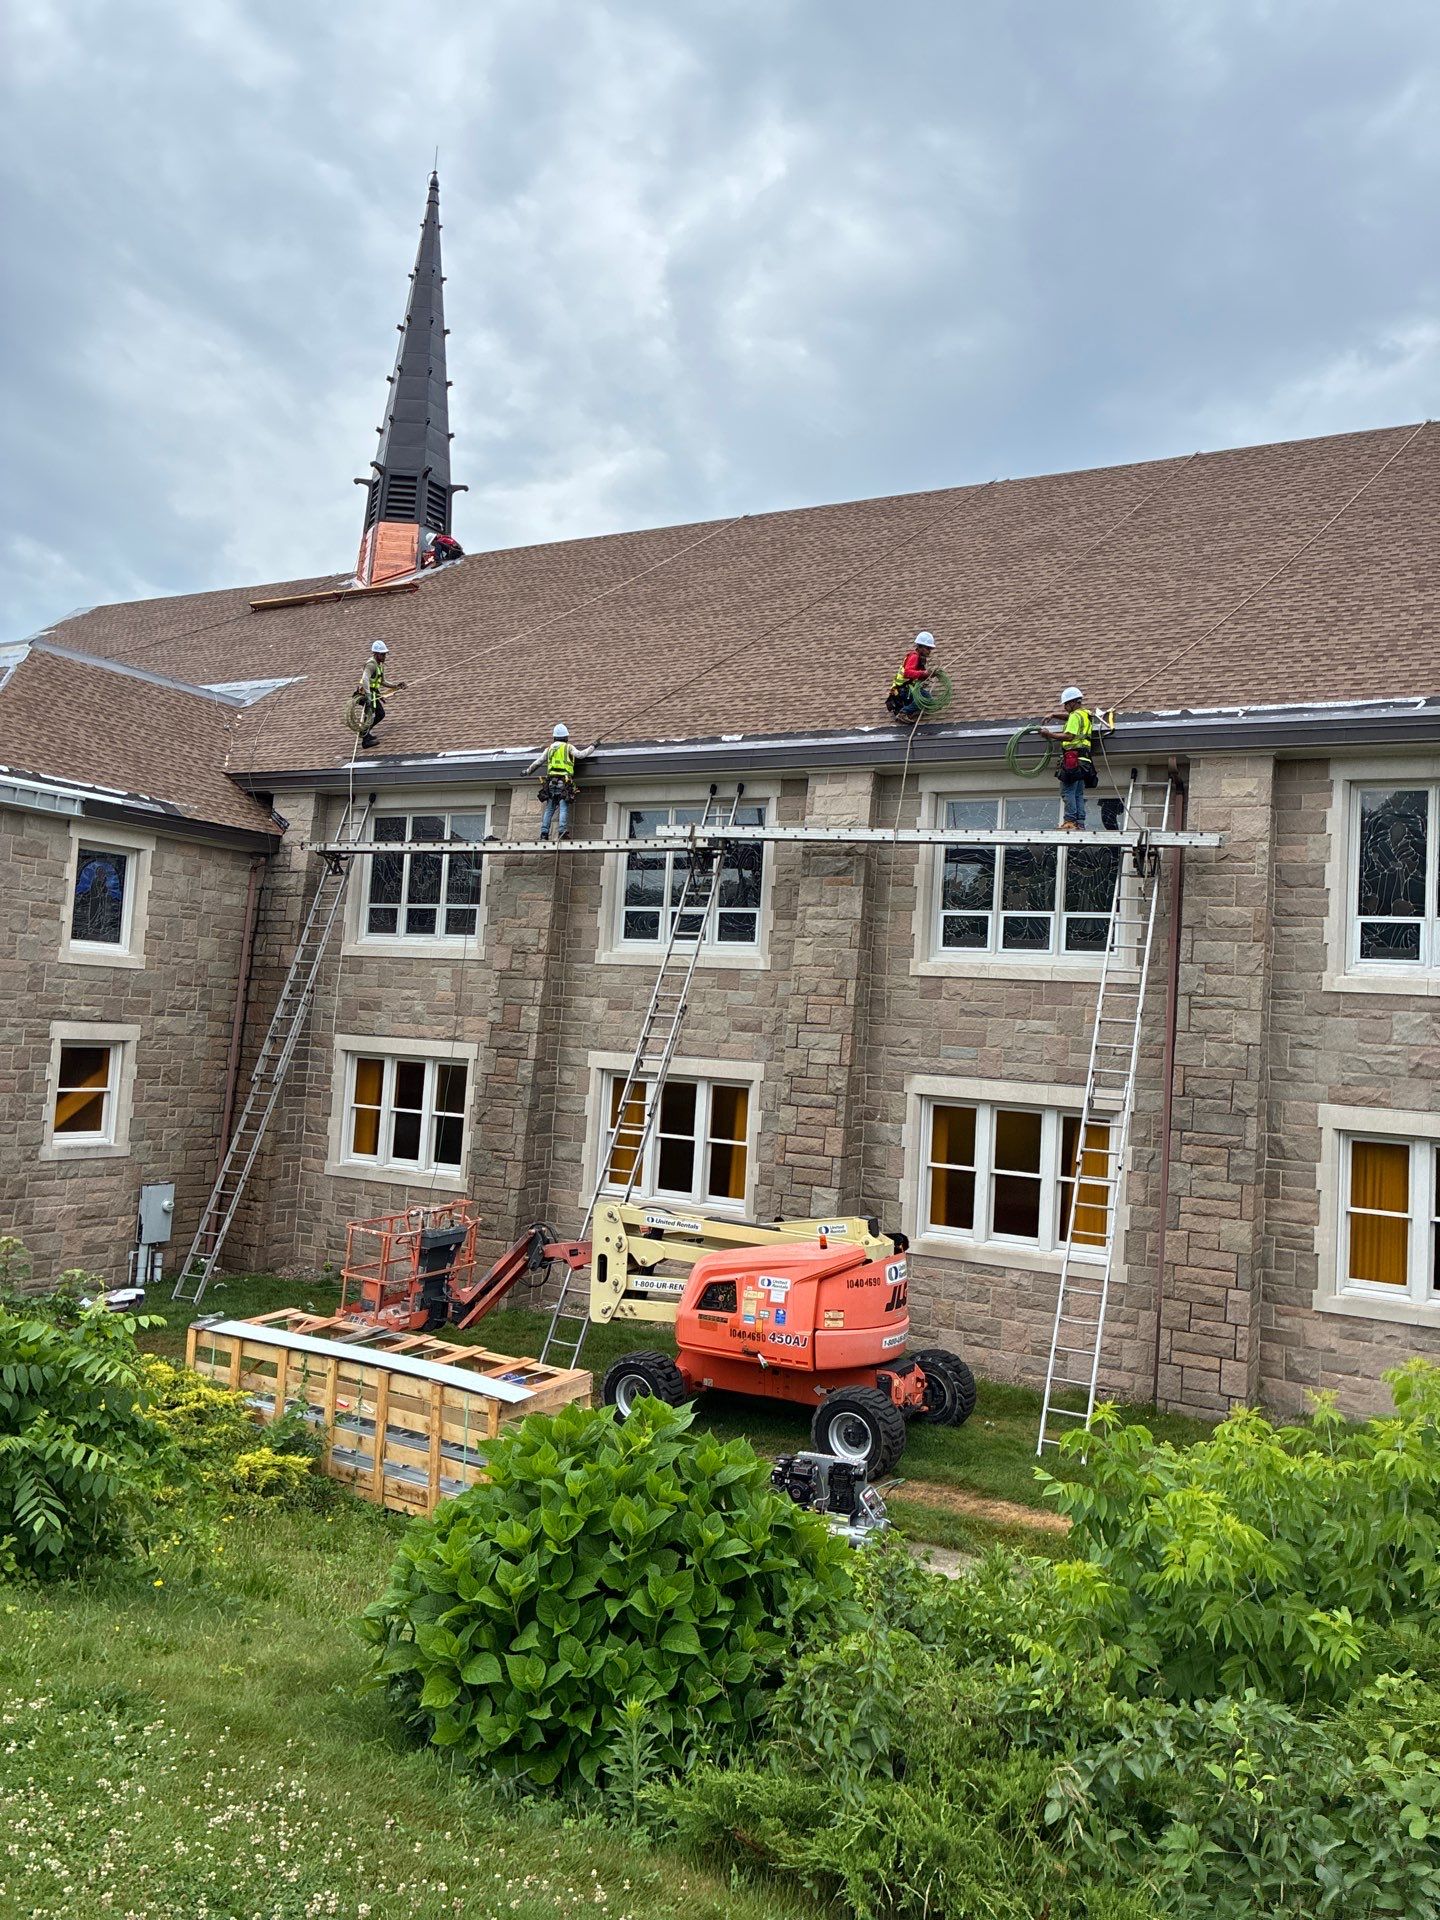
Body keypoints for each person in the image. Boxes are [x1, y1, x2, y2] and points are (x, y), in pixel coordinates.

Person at [1040, 686, 1112, 829]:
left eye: (1066, 704)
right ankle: (1079, 823)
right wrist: (1054, 715)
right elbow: (1070, 717)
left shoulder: (1075, 716)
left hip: (1073, 759)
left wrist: (1049, 735)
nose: (1065, 708)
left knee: (1067, 791)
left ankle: (1070, 821)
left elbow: (1069, 736)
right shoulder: (1085, 714)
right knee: (1078, 793)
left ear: (1072, 703)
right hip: (1084, 761)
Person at [526, 723, 588, 840]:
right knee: (563, 806)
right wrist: (593, 746)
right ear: (566, 737)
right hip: (564, 782)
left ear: (554, 737)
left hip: (551, 783)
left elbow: (538, 762)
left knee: (549, 808)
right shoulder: (567, 747)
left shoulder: (549, 749)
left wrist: (527, 771)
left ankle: (544, 833)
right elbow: (581, 755)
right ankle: (562, 831)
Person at [355, 639, 405, 749]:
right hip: (366, 693)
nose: (384, 657)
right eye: (382, 654)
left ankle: (365, 733)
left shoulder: (380, 666)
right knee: (369, 715)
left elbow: (382, 682)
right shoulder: (371, 664)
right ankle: (365, 740)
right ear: (376, 654)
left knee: (380, 714)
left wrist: (396, 686)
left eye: (385, 654)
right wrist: (367, 695)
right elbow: (365, 679)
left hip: (373, 693)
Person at [885, 631, 937, 721]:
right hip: (902, 690)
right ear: (920, 646)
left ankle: (909, 709)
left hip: (904, 690)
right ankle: (904, 712)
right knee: (926, 699)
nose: (929, 651)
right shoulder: (914, 656)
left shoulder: (919, 658)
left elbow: (916, 674)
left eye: (930, 649)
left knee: (928, 700)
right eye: (928, 648)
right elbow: (907, 673)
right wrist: (924, 674)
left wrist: (929, 675)